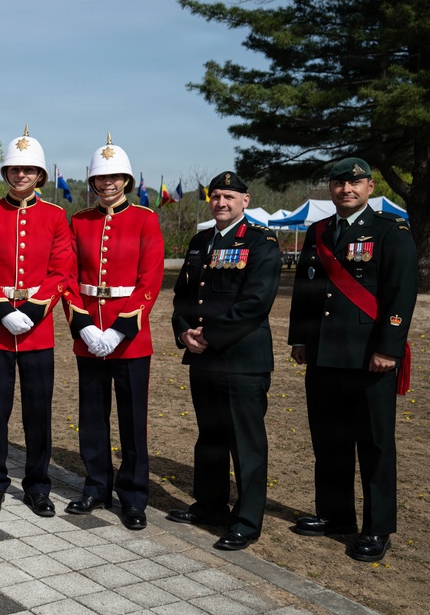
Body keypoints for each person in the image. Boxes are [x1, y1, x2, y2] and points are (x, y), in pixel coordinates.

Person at [288, 157, 417, 562]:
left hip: (368, 357)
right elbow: (307, 292)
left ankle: (378, 528)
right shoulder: (318, 232)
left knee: (375, 445)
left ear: (370, 187)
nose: (347, 188)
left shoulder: (389, 231)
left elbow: (401, 293)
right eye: (340, 182)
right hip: (324, 354)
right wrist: (300, 338)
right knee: (329, 441)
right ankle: (334, 514)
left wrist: (389, 348)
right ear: (331, 188)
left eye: (355, 182)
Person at [168, 171, 281, 551]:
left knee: (246, 444)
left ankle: (246, 522)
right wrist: (184, 331)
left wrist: (209, 336)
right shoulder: (201, 241)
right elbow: (183, 295)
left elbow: (255, 304)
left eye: (229, 196)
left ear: (245, 201)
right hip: (202, 359)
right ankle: (210, 506)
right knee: (211, 439)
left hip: (241, 361)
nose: (221, 202)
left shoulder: (261, 242)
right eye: (215, 196)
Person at [0, 126, 72, 517]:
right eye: (14, 169)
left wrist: (29, 311)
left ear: (40, 175)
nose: (21, 175)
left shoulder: (56, 216)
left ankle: (37, 486)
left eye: (29, 170)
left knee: (37, 412)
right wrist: (2, 310)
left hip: (37, 328)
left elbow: (60, 269)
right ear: (5, 173)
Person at [62, 136, 164, 530]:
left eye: (115, 177)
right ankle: (96, 485)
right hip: (89, 334)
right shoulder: (80, 222)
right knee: (91, 417)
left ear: (126, 180)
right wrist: (85, 326)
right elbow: (69, 279)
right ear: (92, 182)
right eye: (100, 178)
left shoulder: (145, 219)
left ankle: (134, 496)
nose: (107, 184)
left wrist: (120, 330)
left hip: (130, 338)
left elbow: (150, 281)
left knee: (132, 420)